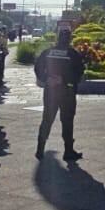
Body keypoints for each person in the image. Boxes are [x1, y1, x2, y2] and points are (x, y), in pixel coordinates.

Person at [34, 26, 86, 160]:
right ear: (69, 39)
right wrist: (63, 80)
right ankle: (68, 151)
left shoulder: (48, 52)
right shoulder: (72, 53)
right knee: (67, 121)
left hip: (50, 91)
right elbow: (79, 72)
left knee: (47, 119)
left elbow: (38, 67)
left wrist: (47, 79)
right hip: (67, 92)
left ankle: (40, 149)